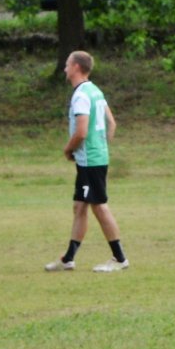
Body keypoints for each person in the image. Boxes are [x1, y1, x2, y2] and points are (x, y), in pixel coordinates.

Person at [44, 50, 129, 272]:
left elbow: (81, 131)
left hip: (90, 162)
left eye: (67, 64)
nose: (64, 68)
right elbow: (111, 124)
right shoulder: (95, 91)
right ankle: (68, 259)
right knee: (80, 205)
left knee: (99, 207)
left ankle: (119, 258)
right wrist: (101, 147)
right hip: (92, 160)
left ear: (76, 68)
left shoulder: (81, 95)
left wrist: (68, 149)